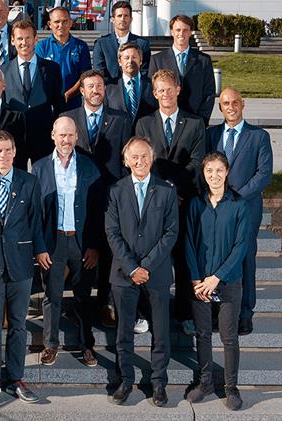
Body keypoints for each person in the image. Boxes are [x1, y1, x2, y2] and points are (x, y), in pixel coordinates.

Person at [0, 130, 50, 407]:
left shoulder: (29, 181)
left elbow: (35, 220)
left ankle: (16, 378)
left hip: (20, 263)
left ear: (15, 152)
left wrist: (39, 250)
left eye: (7, 150)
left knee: (17, 325)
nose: (3, 155)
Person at [106, 136, 178, 407]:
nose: (139, 161)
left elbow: (171, 232)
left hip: (156, 273)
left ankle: (159, 382)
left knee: (160, 331)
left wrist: (145, 266)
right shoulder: (116, 190)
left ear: (152, 159)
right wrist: (132, 267)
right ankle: (125, 380)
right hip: (124, 274)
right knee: (124, 332)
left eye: (144, 156)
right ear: (126, 161)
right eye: (134, 157)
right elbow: (112, 233)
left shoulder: (166, 190)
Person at [134, 69, 205, 336]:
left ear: (178, 89)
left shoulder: (195, 123)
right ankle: (145, 313)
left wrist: (174, 187)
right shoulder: (143, 124)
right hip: (153, 203)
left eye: (169, 88)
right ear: (154, 94)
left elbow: (196, 162)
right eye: (160, 90)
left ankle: (185, 313)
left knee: (184, 259)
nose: (165, 94)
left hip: (184, 200)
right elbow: (144, 161)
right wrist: (163, 191)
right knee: (148, 257)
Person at [61, 69, 133, 330]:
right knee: (81, 250)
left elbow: (126, 163)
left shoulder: (121, 119)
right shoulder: (67, 118)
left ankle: (105, 303)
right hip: (77, 197)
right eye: (90, 86)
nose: (95, 90)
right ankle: (79, 303)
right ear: (81, 90)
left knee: (108, 251)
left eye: (100, 86)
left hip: (110, 196)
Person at [32, 117, 104, 367]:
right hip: (53, 242)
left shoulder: (88, 167)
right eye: (62, 135)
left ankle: (87, 346)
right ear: (53, 135)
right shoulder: (40, 168)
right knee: (52, 296)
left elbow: (97, 211)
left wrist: (94, 245)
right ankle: (50, 345)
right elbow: (35, 214)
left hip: (81, 242)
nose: (66, 140)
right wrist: (40, 247)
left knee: (83, 295)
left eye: (71, 135)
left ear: (76, 137)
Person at [184, 152, 249, 411]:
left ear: (227, 172)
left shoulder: (238, 205)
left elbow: (241, 245)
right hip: (200, 282)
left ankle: (231, 387)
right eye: (209, 171)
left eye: (219, 170)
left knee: (229, 337)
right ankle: (206, 381)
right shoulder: (195, 205)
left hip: (228, 281)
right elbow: (188, 242)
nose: (214, 176)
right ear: (204, 173)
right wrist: (196, 278)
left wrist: (217, 277)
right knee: (202, 334)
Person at [206, 88, 273, 335]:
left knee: (245, 259)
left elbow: (264, 174)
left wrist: (236, 197)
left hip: (245, 208)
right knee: (215, 258)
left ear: (243, 105)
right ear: (220, 108)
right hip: (215, 209)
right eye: (225, 103)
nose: (231, 107)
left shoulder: (258, 136)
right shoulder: (211, 135)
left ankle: (245, 313)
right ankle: (216, 310)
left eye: (235, 102)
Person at [2, 19, 64, 165]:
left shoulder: (52, 69)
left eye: (28, 38)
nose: (24, 42)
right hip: (14, 139)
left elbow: (59, 105)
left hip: (43, 137)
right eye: (19, 38)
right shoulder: (3, 71)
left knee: (45, 182)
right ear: (12, 41)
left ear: (35, 39)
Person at [147, 15, 215, 126]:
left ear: (190, 33)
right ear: (172, 32)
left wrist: (202, 120)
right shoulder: (157, 60)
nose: (181, 34)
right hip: (166, 120)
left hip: (195, 120)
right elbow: (151, 92)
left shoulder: (203, 60)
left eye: (185, 30)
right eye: (178, 30)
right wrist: (159, 119)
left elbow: (209, 93)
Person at [35, 6, 92, 109]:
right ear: (50, 24)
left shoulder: (81, 46)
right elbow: (37, 75)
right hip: (48, 105)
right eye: (57, 22)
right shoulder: (41, 47)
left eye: (64, 21)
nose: (61, 25)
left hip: (73, 104)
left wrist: (69, 94)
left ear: (70, 23)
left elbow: (85, 75)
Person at [93, 0, 151, 83]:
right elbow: (99, 72)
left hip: (136, 89)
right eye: (119, 16)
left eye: (126, 16)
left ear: (131, 19)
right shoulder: (101, 44)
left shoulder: (142, 44)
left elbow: (145, 71)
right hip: (110, 91)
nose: (123, 19)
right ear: (112, 19)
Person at [105, 42, 156, 130]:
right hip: (118, 140)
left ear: (140, 60)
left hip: (146, 138)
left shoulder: (153, 85)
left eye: (134, 57)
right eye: (126, 58)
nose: (130, 61)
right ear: (119, 62)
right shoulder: (109, 88)